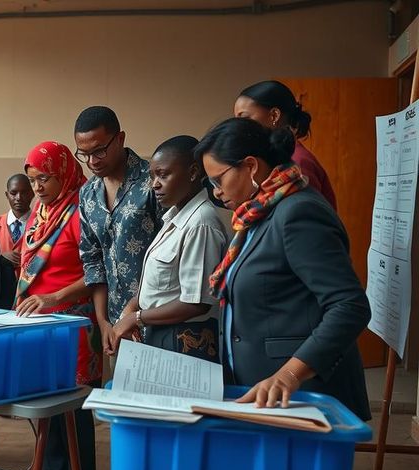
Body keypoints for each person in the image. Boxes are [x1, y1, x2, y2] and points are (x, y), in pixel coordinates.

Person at [195, 117, 370, 417]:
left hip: (302, 393)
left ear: (250, 166)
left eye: (218, 180)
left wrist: (290, 374)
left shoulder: (298, 213)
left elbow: (349, 305)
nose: (217, 193)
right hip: (261, 391)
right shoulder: (257, 213)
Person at [13, 141, 99, 470]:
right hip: (40, 324)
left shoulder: (82, 212)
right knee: (45, 406)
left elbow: (98, 273)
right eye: (33, 180)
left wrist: (53, 298)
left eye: (44, 178)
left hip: (73, 323)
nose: (38, 187)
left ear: (64, 172)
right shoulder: (40, 211)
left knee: (73, 410)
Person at [113, 136, 231, 363]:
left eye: (163, 175)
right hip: (160, 333)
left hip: (184, 340)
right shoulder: (175, 217)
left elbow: (196, 302)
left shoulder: (200, 223)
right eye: (152, 176)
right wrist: (131, 308)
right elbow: (160, 286)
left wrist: (137, 317)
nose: (154, 184)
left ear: (194, 172)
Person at [74, 106, 163, 365]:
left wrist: (135, 312)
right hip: (114, 327)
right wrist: (102, 321)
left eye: (99, 150)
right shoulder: (88, 193)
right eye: (85, 154)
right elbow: (93, 262)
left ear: (120, 139)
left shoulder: (153, 181)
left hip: (157, 319)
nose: (92, 161)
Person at [234, 80, 337, 209]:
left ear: (274, 115)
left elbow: (302, 214)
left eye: (244, 118)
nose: (237, 127)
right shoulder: (277, 157)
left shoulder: (298, 162)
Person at [0, 173, 35, 275]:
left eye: (24, 193)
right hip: (1, 286)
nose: (18, 197)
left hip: (30, 287)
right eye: (13, 193)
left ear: (32, 194)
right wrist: (1, 257)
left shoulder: (41, 224)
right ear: (7, 195)